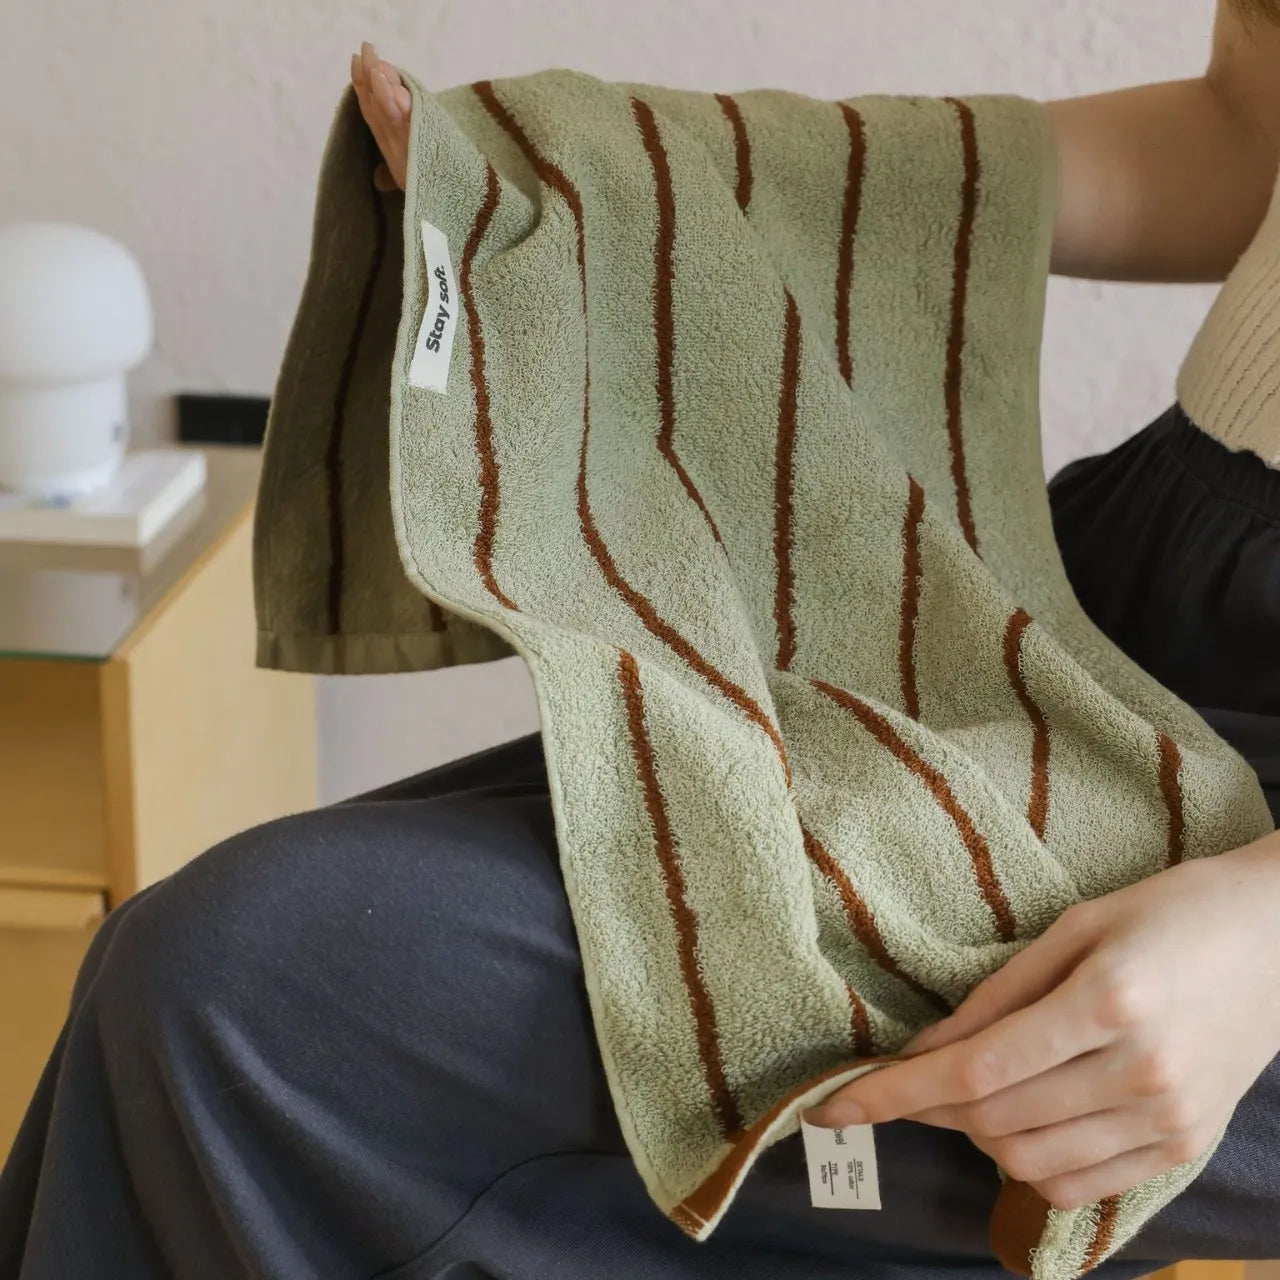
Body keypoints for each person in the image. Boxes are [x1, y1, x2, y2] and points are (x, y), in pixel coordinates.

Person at [2, 7, 1279, 1277]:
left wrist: (1257, 945)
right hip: (1100, 589)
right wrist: (633, 170)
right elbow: (1245, 134)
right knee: (176, 988)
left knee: (230, 1004)